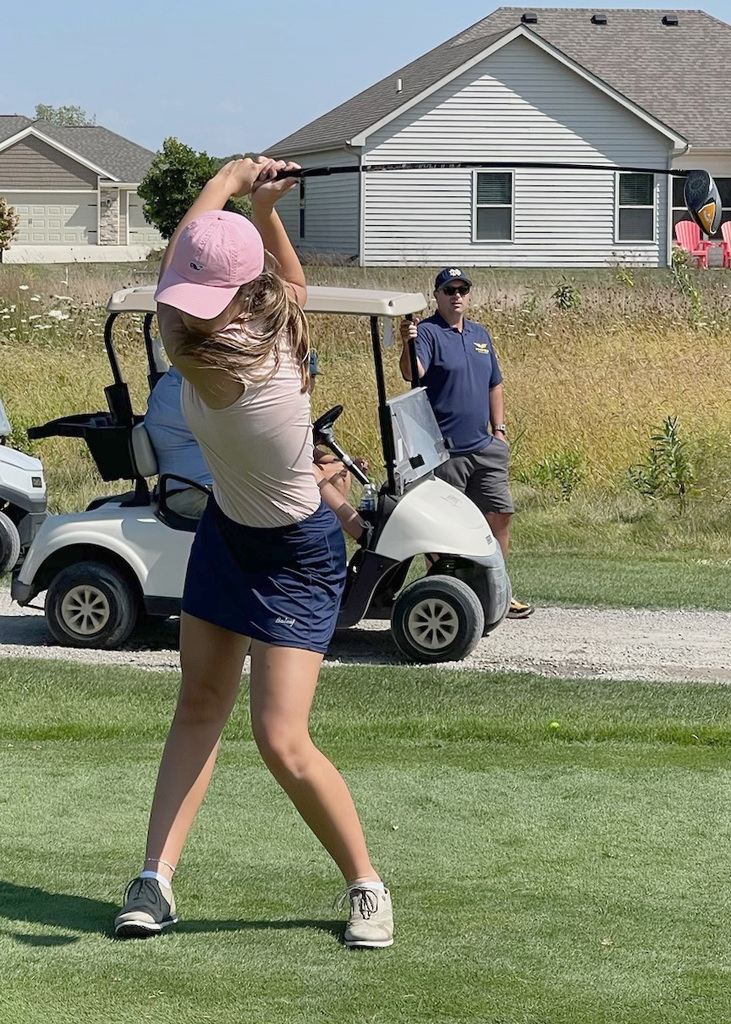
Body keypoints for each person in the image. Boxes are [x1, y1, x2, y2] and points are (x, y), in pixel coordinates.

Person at [113, 155, 393, 949]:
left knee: (280, 738)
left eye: (202, 294)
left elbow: (173, 265)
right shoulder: (280, 320)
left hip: (297, 554)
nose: (186, 305)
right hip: (229, 533)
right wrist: (266, 212)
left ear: (237, 296)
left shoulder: (213, 359)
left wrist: (230, 182)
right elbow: (286, 280)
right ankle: (154, 879)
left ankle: (367, 886)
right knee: (199, 704)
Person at [399, 267, 533, 619]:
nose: (456, 296)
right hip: (444, 450)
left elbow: (495, 383)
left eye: (462, 290)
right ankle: (445, 592)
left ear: (469, 295)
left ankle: (497, 591)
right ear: (437, 296)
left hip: (484, 446)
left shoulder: (479, 334)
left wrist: (499, 431)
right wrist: (407, 343)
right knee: (443, 526)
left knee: (499, 513)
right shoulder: (428, 332)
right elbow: (412, 373)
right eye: (449, 290)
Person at [144, 365, 213, 518]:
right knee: (261, 512)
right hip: (190, 494)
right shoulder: (176, 394)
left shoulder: (188, 386)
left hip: (208, 490)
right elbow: (240, 433)